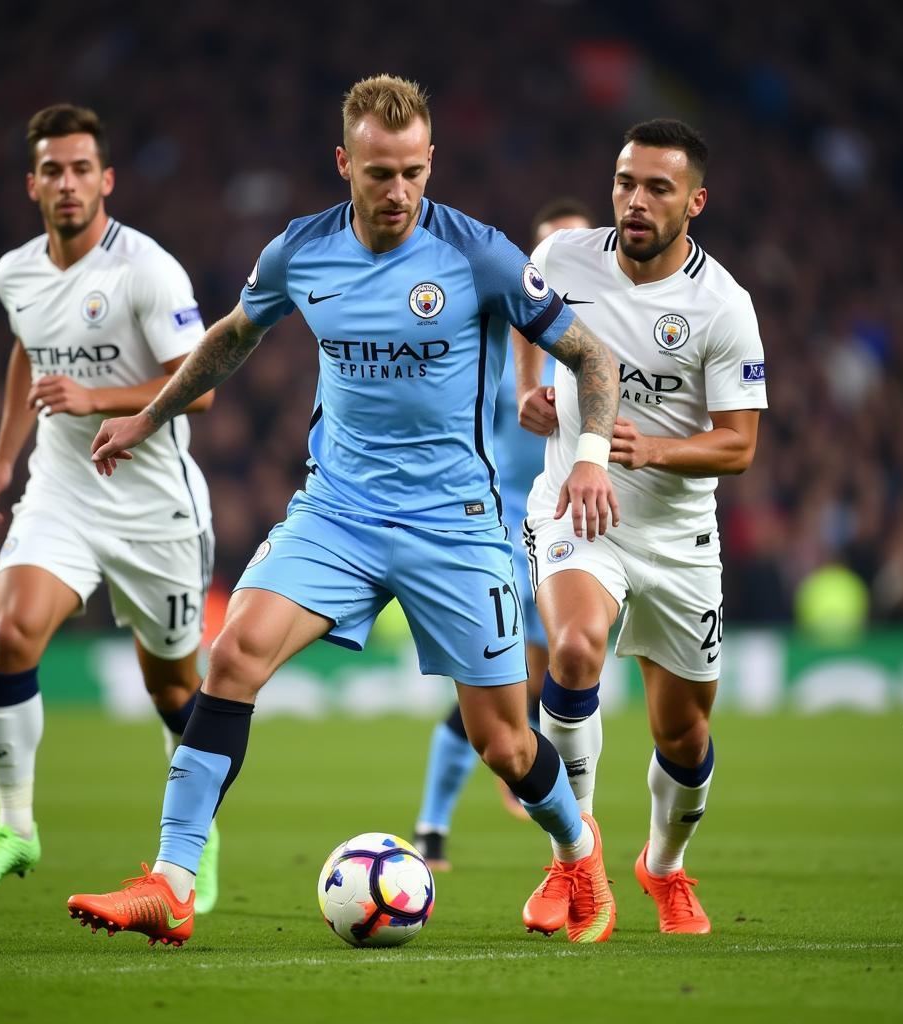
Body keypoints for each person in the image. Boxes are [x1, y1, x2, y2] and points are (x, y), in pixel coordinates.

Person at [66, 74, 622, 947]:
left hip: (454, 525)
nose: (396, 192)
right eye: (377, 173)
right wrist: (150, 412)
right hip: (340, 512)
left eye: (410, 172)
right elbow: (232, 337)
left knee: (506, 746)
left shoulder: (478, 255)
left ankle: (576, 849)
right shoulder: (301, 252)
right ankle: (171, 882)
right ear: (344, 164)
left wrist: (590, 458)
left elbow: (593, 358)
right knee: (234, 654)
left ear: (430, 163)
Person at [0, 104, 222, 913]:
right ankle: (15, 827)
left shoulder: (147, 270)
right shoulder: (15, 272)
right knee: (10, 631)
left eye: (80, 169)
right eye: (51, 170)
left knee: (173, 691)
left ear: (106, 180)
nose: (66, 184)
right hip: (62, 493)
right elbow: (28, 349)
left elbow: (197, 384)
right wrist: (3, 458)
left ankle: (191, 841)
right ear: (32, 184)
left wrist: (97, 397)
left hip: (155, 512)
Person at [518, 118, 768, 934]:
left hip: (677, 537)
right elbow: (518, 319)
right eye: (626, 182)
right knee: (574, 647)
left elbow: (739, 445)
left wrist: (651, 447)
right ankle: (573, 860)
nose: (635, 200)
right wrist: (533, 389)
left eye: (658, 187)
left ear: (696, 201)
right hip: (574, 508)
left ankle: (664, 867)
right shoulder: (562, 260)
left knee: (685, 735)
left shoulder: (722, 306)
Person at [412, 198, 594, 871]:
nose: (559, 263)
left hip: (568, 530)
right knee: (493, 678)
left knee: (539, 682)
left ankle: (537, 794)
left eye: (576, 248)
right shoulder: (502, 324)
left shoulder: (601, 340)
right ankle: (433, 828)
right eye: (548, 250)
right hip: (494, 521)